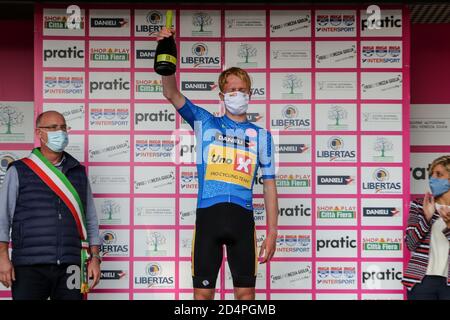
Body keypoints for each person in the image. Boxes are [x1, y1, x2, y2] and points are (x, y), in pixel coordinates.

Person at [157, 27, 279, 300]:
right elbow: (171, 93)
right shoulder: (205, 122)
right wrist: (166, 48)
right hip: (209, 218)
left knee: (246, 296)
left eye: (242, 90)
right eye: (231, 90)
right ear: (222, 96)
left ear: (250, 93)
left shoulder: (262, 136)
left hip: (242, 221)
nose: (237, 94)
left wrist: (272, 233)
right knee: (202, 298)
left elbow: (269, 186)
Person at [0, 111, 102, 300]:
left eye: (63, 127)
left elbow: (90, 219)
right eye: (53, 127)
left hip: (71, 264)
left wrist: (95, 258)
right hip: (29, 264)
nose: (60, 132)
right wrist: (2, 257)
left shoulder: (78, 172)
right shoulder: (19, 170)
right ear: (39, 133)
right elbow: (3, 218)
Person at [403, 155, 450, 299]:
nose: (432, 179)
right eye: (431, 175)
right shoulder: (419, 205)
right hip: (421, 281)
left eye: (439, 174)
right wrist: (426, 217)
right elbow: (410, 244)